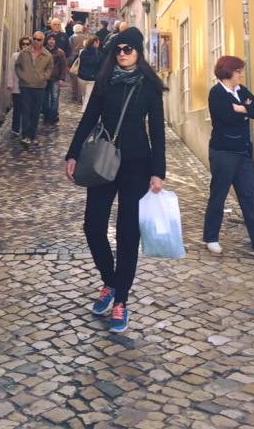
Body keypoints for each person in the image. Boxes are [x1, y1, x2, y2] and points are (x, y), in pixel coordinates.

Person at [65, 27, 166, 334]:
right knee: (93, 226)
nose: (122, 54)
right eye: (118, 49)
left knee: (127, 233)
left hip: (137, 164)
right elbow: (89, 118)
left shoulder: (149, 85)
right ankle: (110, 280)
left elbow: (157, 130)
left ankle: (121, 299)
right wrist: (73, 153)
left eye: (128, 49)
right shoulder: (105, 81)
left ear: (138, 52)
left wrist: (158, 171)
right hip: (103, 162)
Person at [202, 56, 254, 259]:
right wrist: (243, 111)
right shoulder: (217, 93)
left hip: (243, 151)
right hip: (223, 152)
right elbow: (226, 118)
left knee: (250, 196)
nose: (241, 74)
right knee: (219, 195)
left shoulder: (241, 90)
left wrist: (241, 109)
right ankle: (211, 237)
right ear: (227, 71)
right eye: (238, 71)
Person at [15, 30, 53, 146]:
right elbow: (17, 66)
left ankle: (32, 135)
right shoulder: (24, 52)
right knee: (26, 110)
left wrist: (43, 77)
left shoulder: (47, 55)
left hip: (39, 87)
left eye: (39, 39)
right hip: (25, 86)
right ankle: (25, 135)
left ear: (43, 41)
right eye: (34, 38)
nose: (36, 41)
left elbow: (50, 69)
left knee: (35, 111)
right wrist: (23, 77)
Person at [7, 36, 31, 136]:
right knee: (17, 108)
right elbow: (11, 70)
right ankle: (15, 128)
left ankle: (25, 129)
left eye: (27, 44)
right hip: (17, 85)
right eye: (23, 44)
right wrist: (10, 83)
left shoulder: (33, 56)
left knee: (27, 109)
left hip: (29, 86)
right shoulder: (15, 56)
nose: (25, 46)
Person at [44, 34, 67, 125]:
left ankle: (53, 117)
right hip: (45, 78)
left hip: (55, 78)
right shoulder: (43, 51)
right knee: (45, 99)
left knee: (54, 98)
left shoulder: (60, 52)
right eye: (49, 39)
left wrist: (62, 78)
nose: (51, 41)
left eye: (53, 39)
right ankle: (46, 116)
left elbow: (63, 66)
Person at [77, 34, 104, 108]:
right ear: (94, 42)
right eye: (98, 42)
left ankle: (84, 109)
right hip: (92, 77)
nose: (99, 44)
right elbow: (101, 67)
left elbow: (78, 63)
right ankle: (84, 110)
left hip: (81, 77)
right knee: (88, 96)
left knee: (84, 95)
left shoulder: (82, 52)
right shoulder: (100, 54)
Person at [67, 23, 85, 103]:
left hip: (73, 58)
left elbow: (69, 48)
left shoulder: (72, 37)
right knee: (82, 77)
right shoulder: (86, 37)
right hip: (83, 58)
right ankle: (81, 95)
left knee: (73, 77)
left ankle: (75, 94)